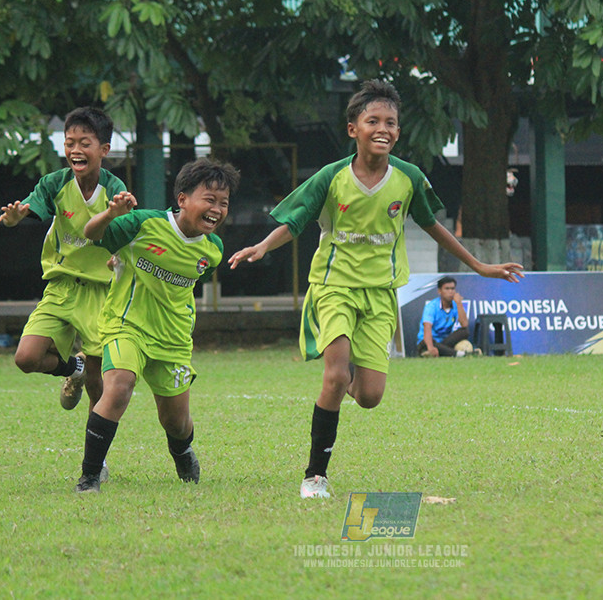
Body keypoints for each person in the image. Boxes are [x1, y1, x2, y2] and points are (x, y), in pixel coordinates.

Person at [228, 79, 524, 499]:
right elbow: (294, 222)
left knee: (369, 396)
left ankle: (347, 373)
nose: (382, 128)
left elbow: (432, 225)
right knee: (335, 377)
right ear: (354, 129)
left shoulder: (408, 179)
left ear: (398, 132)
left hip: (381, 294)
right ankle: (315, 476)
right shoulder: (332, 177)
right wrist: (261, 246)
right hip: (334, 287)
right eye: (373, 121)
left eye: (390, 122)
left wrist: (478, 265)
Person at [74, 158, 240, 493]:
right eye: (209, 199)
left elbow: (191, 278)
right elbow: (91, 233)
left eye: (223, 203)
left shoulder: (213, 250)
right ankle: (90, 476)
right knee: (119, 387)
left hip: (173, 339)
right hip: (126, 325)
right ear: (183, 199)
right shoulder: (143, 224)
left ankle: (181, 450)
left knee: (176, 422)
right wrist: (110, 214)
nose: (217, 210)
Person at [0, 107, 126, 432]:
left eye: (85, 143)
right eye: (70, 143)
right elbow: (32, 206)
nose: (75, 150)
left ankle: (95, 456)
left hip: (101, 292)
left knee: (99, 383)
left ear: (104, 150)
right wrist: (16, 218)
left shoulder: (114, 190)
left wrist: (117, 253)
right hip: (62, 286)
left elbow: (126, 234)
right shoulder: (55, 183)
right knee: (26, 358)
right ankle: (73, 368)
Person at [416, 276, 472, 357]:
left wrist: (459, 303)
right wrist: (431, 348)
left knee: (465, 331)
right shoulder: (431, 306)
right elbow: (427, 328)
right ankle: (460, 354)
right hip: (428, 342)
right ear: (439, 291)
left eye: (452, 289)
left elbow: (464, 324)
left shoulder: (456, 305)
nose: (450, 292)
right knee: (426, 343)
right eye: (447, 289)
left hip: (444, 342)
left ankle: (442, 352)